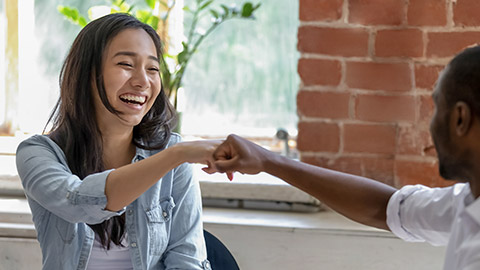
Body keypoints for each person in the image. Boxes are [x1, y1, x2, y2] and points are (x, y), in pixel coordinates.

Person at [207, 46, 480, 270]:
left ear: (459, 119)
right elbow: (387, 208)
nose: (430, 126)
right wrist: (268, 161)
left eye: (435, 109)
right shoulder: (465, 202)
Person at [16, 13, 216, 270]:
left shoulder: (173, 154)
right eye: (126, 64)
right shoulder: (38, 153)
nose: (143, 81)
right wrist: (175, 156)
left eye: (152, 69)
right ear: (88, 73)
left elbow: (187, 260)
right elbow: (77, 202)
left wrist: (175, 156)